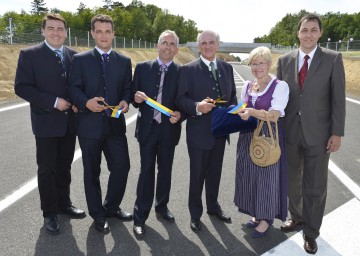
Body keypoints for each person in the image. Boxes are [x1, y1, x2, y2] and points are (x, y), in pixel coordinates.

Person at [276, 13, 345, 254]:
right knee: (292, 181)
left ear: (320, 33)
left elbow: (338, 99)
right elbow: (279, 99)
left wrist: (337, 132)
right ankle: (296, 217)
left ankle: (311, 232)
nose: (308, 35)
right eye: (304, 30)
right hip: (290, 132)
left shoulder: (333, 59)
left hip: (319, 134)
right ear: (298, 33)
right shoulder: (284, 61)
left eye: (313, 30)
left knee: (315, 186)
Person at [14, 13, 85, 235]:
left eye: (60, 29)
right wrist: (54, 102)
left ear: (66, 32)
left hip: (69, 123)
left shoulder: (74, 56)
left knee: (64, 166)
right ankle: (49, 213)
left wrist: (76, 102)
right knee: (47, 169)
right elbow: (22, 87)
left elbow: (78, 86)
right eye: (51, 28)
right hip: (45, 123)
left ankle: (64, 204)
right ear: (43, 31)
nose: (56, 32)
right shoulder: (29, 55)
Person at [68, 14, 133, 234]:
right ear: (93, 34)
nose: (104, 35)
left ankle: (111, 207)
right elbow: (73, 89)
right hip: (89, 127)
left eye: (108, 31)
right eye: (99, 31)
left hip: (115, 127)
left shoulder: (124, 61)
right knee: (91, 172)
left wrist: (126, 100)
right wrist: (85, 102)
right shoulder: (80, 60)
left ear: (114, 34)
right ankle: (98, 214)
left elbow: (127, 88)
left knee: (122, 167)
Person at [176, 30, 237, 232]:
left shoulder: (227, 68)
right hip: (199, 132)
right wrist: (196, 106)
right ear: (198, 45)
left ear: (218, 45)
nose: (208, 46)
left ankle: (213, 207)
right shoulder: (187, 70)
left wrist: (235, 113)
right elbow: (180, 99)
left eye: (211, 42)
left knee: (215, 174)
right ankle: (195, 214)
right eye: (204, 43)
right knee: (197, 175)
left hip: (220, 132)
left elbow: (233, 98)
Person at [131, 30, 183, 239]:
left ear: (176, 49)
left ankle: (162, 207)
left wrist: (181, 114)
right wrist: (135, 97)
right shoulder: (143, 68)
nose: (167, 47)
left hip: (169, 130)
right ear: (157, 45)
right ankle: (139, 216)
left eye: (172, 44)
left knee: (165, 171)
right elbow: (134, 98)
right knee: (146, 172)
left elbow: (184, 102)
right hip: (147, 129)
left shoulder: (182, 72)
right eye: (164, 42)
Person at [234, 46, 289, 238]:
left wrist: (252, 112)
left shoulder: (279, 86)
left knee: (266, 178)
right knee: (250, 176)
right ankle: (256, 214)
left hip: (268, 137)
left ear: (269, 64)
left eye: (261, 63)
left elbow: (275, 115)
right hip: (248, 135)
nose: (257, 67)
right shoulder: (249, 85)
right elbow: (243, 107)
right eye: (253, 63)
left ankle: (266, 219)